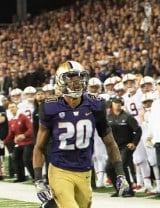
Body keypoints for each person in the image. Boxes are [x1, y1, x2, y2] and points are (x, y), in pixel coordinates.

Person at [32, 60, 130, 208]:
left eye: (79, 78)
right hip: (60, 169)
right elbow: (39, 147)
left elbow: (110, 142)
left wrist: (120, 173)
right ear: (60, 80)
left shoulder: (95, 105)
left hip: (84, 170)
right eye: (70, 78)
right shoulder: (50, 107)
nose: (76, 83)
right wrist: (39, 179)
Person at [105, 96, 140, 197]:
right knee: (109, 168)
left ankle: (129, 190)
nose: (118, 104)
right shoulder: (109, 117)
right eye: (116, 102)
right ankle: (119, 189)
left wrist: (134, 143)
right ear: (111, 104)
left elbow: (138, 130)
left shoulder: (127, 117)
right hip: (114, 147)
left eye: (119, 102)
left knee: (122, 165)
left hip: (126, 146)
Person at [3, 101, 34, 182]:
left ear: (17, 108)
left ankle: (36, 177)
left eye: (13, 107)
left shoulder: (23, 117)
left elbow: (31, 128)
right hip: (19, 143)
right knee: (15, 158)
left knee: (26, 159)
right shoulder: (11, 120)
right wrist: (4, 142)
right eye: (10, 108)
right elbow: (11, 134)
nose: (12, 109)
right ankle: (21, 177)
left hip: (28, 141)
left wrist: (24, 135)